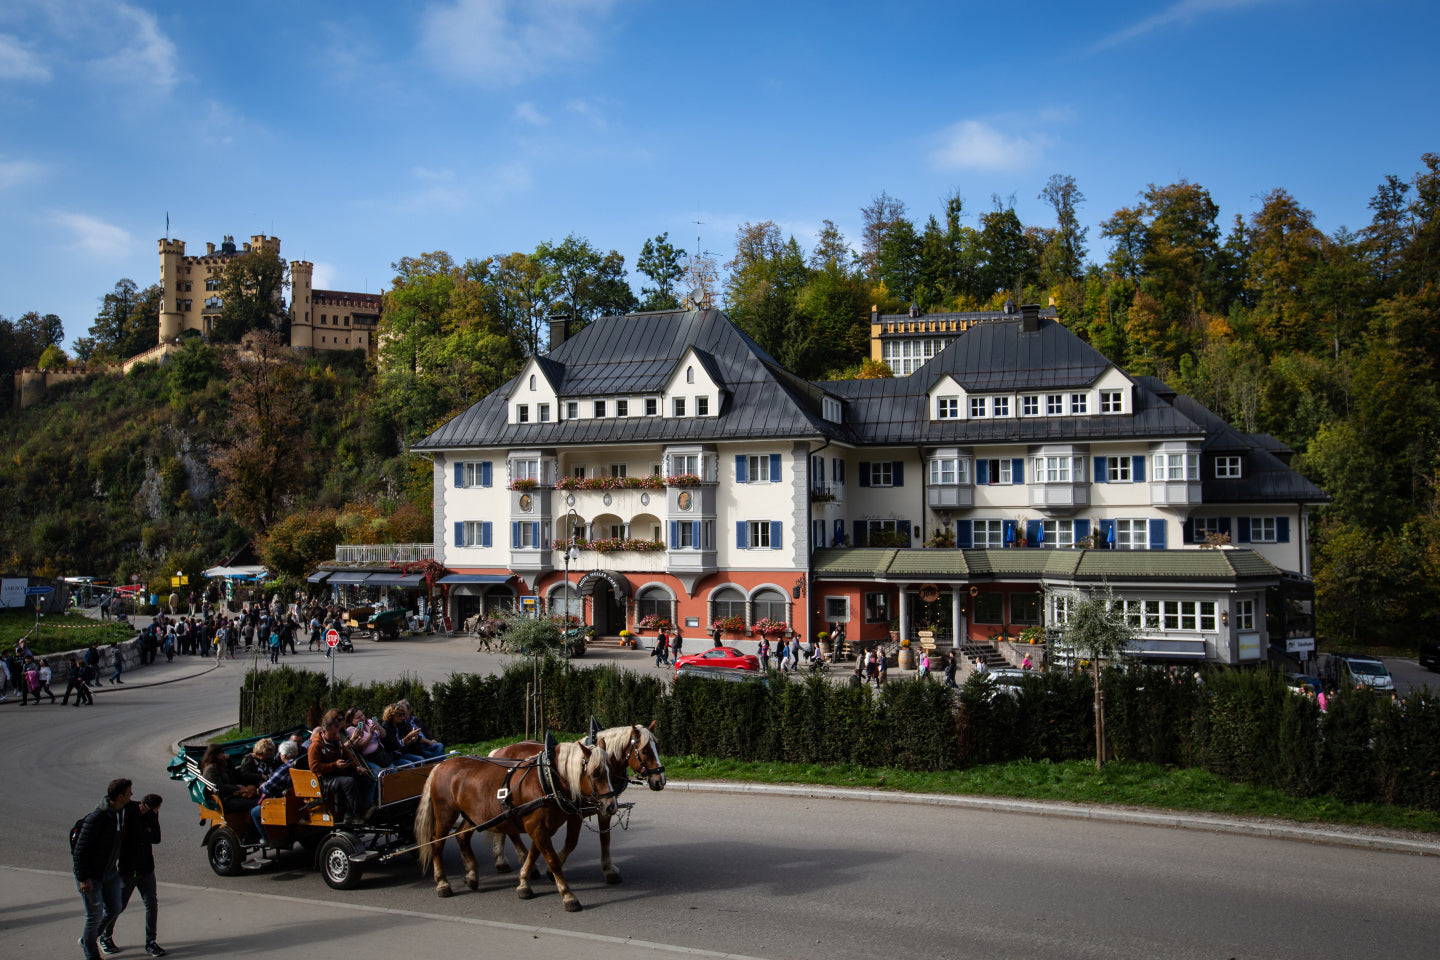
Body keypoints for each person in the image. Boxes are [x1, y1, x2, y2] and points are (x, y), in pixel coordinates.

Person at [98, 793, 167, 957]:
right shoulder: (130, 814)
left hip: (147, 869)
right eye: (157, 810)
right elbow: (137, 835)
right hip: (129, 870)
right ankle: (105, 936)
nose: (158, 813)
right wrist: (148, 825)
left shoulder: (150, 816)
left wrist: (151, 818)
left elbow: (156, 837)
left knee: (151, 905)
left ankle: (151, 941)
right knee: (117, 906)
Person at [74, 778, 130, 960]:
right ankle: (91, 953)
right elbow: (80, 851)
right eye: (129, 792)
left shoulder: (121, 811)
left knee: (115, 908)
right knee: (94, 916)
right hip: (92, 877)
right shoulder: (96, 818)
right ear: (120, 796)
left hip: (110, 873)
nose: (132, 794)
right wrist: (84, 878)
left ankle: (88, 940)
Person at [309, 708, 371, 819]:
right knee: (349, 782)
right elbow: (314, 767)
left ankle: (364, 808)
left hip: (339, 773)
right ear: (323, 732)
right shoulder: (316, 746)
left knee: (364, 778)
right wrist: (334, 765)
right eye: (332, 734)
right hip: (325, 779)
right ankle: (358, 815)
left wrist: (358, 767)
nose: (335, 736)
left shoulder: (336, 740)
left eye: (336, 733)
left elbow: (347, 755)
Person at [249, 740, 302, 841]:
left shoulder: (285, 768)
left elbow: (268, 787)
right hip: (296, 799)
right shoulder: (299, 763)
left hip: (284, 802)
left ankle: (266, 838)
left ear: (284, 755)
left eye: (281, 753)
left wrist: (262, 787)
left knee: (254, 812)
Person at [200, 744, 258, 834]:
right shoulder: (210, 769)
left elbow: (233, 777)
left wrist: (229, 761)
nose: (224, 754)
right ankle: (249, 832)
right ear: (215, 755)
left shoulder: (220, 766)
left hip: (232, 796)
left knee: (256, 799)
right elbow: (219, 787)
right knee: (254, 803)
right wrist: (237, 788)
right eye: (222, 753)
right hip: (224, 800)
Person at [345, 707, 393, 773]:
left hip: (380, 753)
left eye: (362, 715)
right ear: (352, 721)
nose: (362, 718)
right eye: (358, 717)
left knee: (393, 769)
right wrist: (371, 734)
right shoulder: (351, 730)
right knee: (380, 774)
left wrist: (378, 726)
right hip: (368, 758)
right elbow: (361, 748)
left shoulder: (369, 722)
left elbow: (384, 735)